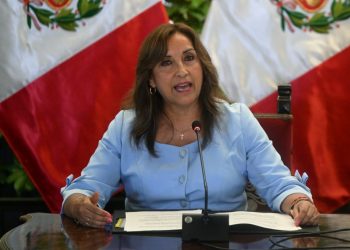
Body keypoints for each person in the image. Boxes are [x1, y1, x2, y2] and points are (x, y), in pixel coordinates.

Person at [61, 23, 319, 229]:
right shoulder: (124, 127)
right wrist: (78, 204)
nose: (181, 70)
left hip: (227, 244)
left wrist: (298, 201)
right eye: (166, 63)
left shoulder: (238, 120)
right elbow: (86, 189)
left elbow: (279, 184)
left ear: (202, 67)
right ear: (150, 79)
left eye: (189, 58)